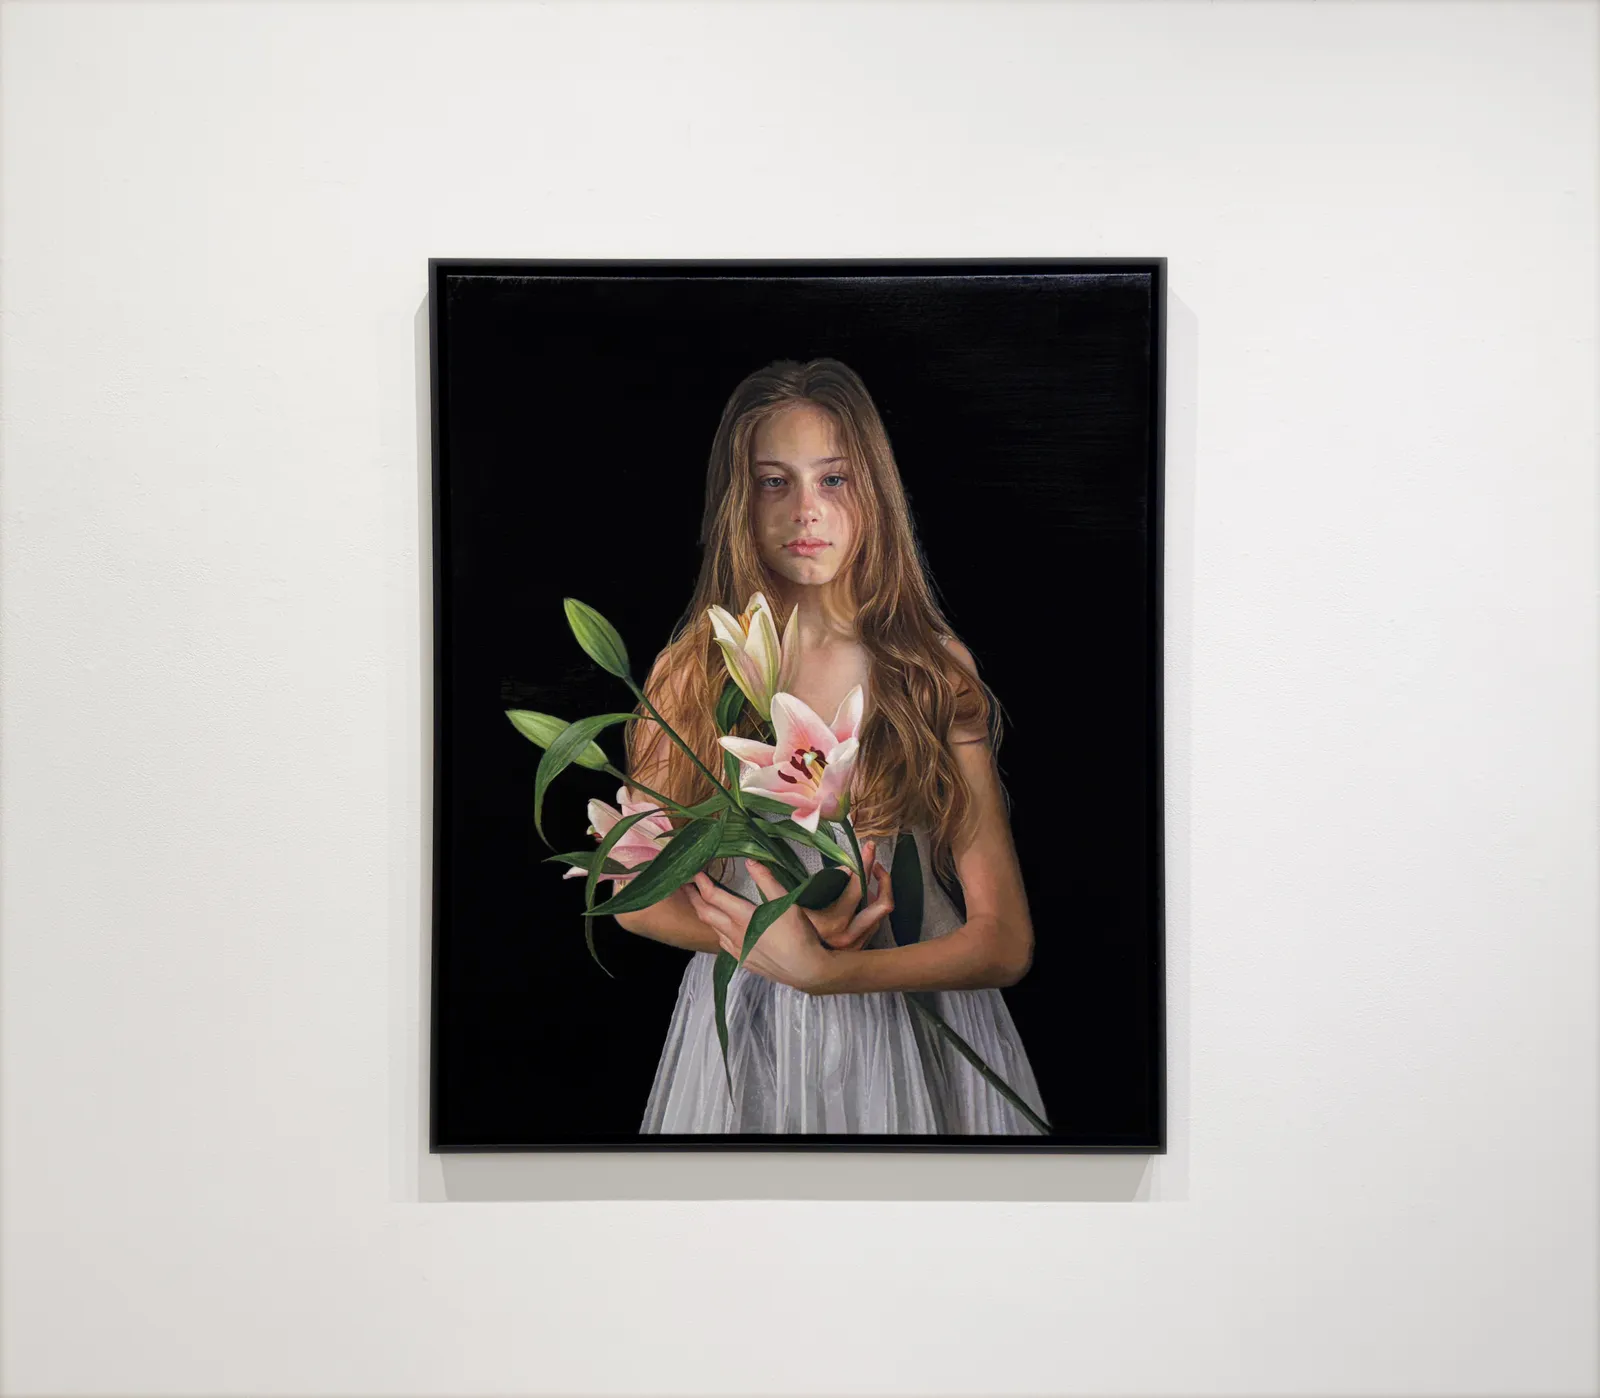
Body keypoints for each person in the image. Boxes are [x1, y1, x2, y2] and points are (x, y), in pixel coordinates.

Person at [612, 357, 1047, 1134]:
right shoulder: (692, 671)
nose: (805, 512)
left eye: (834, 480)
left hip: (918, 1015)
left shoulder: (929, 668)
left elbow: (1004, 941)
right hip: (754, 1036)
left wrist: (831, 973)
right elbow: (634, 894)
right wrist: (770, 943)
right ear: (737, 503)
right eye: (774, 482)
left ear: (873, 491)